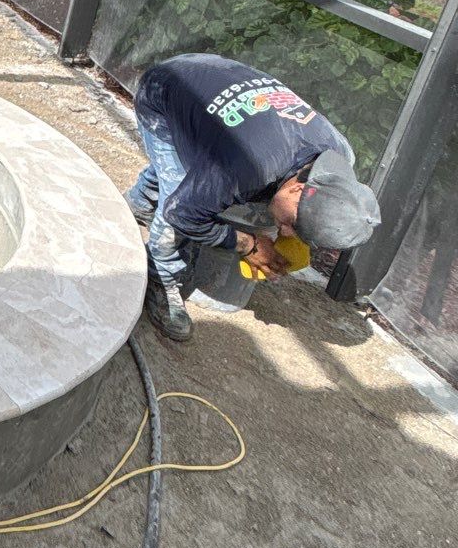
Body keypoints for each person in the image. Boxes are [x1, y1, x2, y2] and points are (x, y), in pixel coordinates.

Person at [126, 54, 380, 343]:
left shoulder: (340, 156)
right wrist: (247, 244)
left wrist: (300, 227)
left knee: (193, 179)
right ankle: (163, 278)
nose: (284, 232)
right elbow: (181, 214)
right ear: (297, 190)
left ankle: (139, 203)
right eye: (291, 224)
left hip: (216, 87)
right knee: (179, 199)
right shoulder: (247, 167)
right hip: (166, 90)